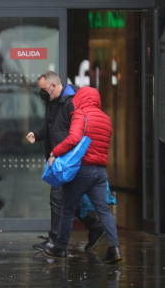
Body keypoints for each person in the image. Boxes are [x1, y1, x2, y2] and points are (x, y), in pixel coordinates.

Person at [25, 71, 105, 251]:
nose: (42, 94)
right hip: (59, 158)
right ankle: (95, 227)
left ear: (53, 86)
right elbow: (51, 127)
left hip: (67, 159)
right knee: (70, 200)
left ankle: (54, 240)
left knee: (57, 198)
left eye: (43, 89)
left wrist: (64, 153)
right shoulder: (51, 101)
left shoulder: (72, 102)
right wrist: (36, 135)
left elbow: (77, 132)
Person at [43, 86, 121, 263]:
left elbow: (73, 138)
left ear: (81, 98)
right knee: (104, 211)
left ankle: (61, 248)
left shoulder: (81, 114)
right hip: (100, 171)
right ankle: (114, 248)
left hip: (82, 169)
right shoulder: (106, 119)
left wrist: (55, 152)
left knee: (68, 208)